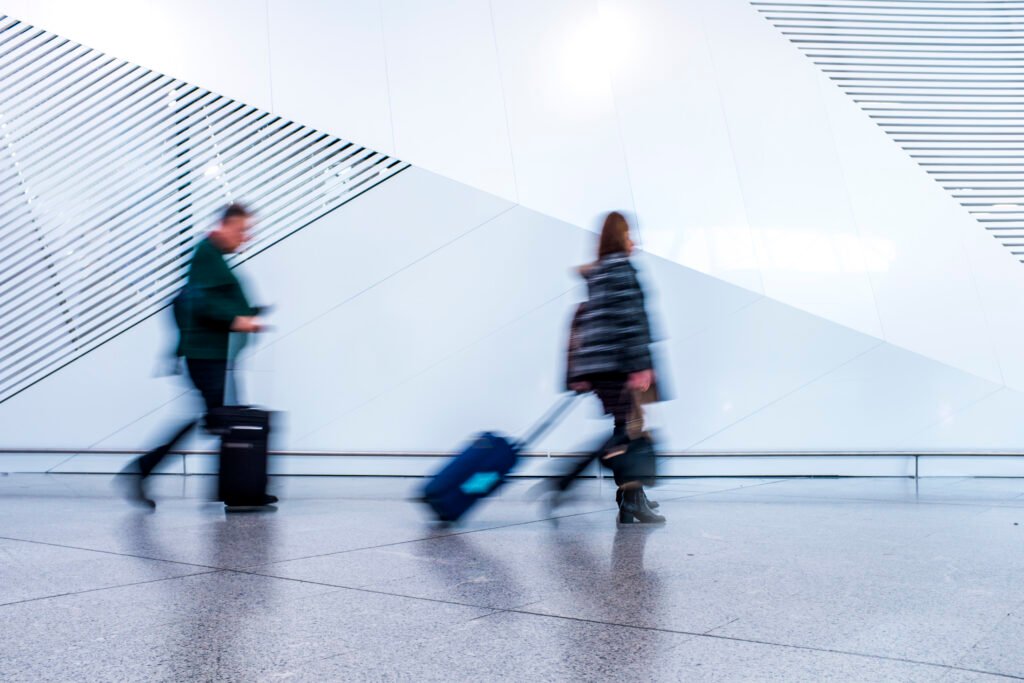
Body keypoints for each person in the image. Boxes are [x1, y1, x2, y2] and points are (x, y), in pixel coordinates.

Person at [123, 203, 274, 508]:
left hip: (212, 354)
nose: (246, 238)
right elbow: (201, 302)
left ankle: (235, 488)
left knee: (220, 420)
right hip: (206, 356)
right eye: (243, 230)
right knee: (221, 420)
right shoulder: (206, 253)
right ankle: (146, 470)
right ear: (226, 225)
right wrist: (238, 319)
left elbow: (208, 298)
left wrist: (248, 314)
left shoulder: (212, 255)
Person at [554, 211, 665, 524]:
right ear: (619, 237)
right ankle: (568, 482)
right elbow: (631, 323)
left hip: (604, 368)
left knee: (627, 430)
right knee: (629, 436)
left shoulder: (600, 272)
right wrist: (641, 367)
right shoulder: (620, 270)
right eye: (629, 234)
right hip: (621, 367)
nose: (634, 241)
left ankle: (632, 497)